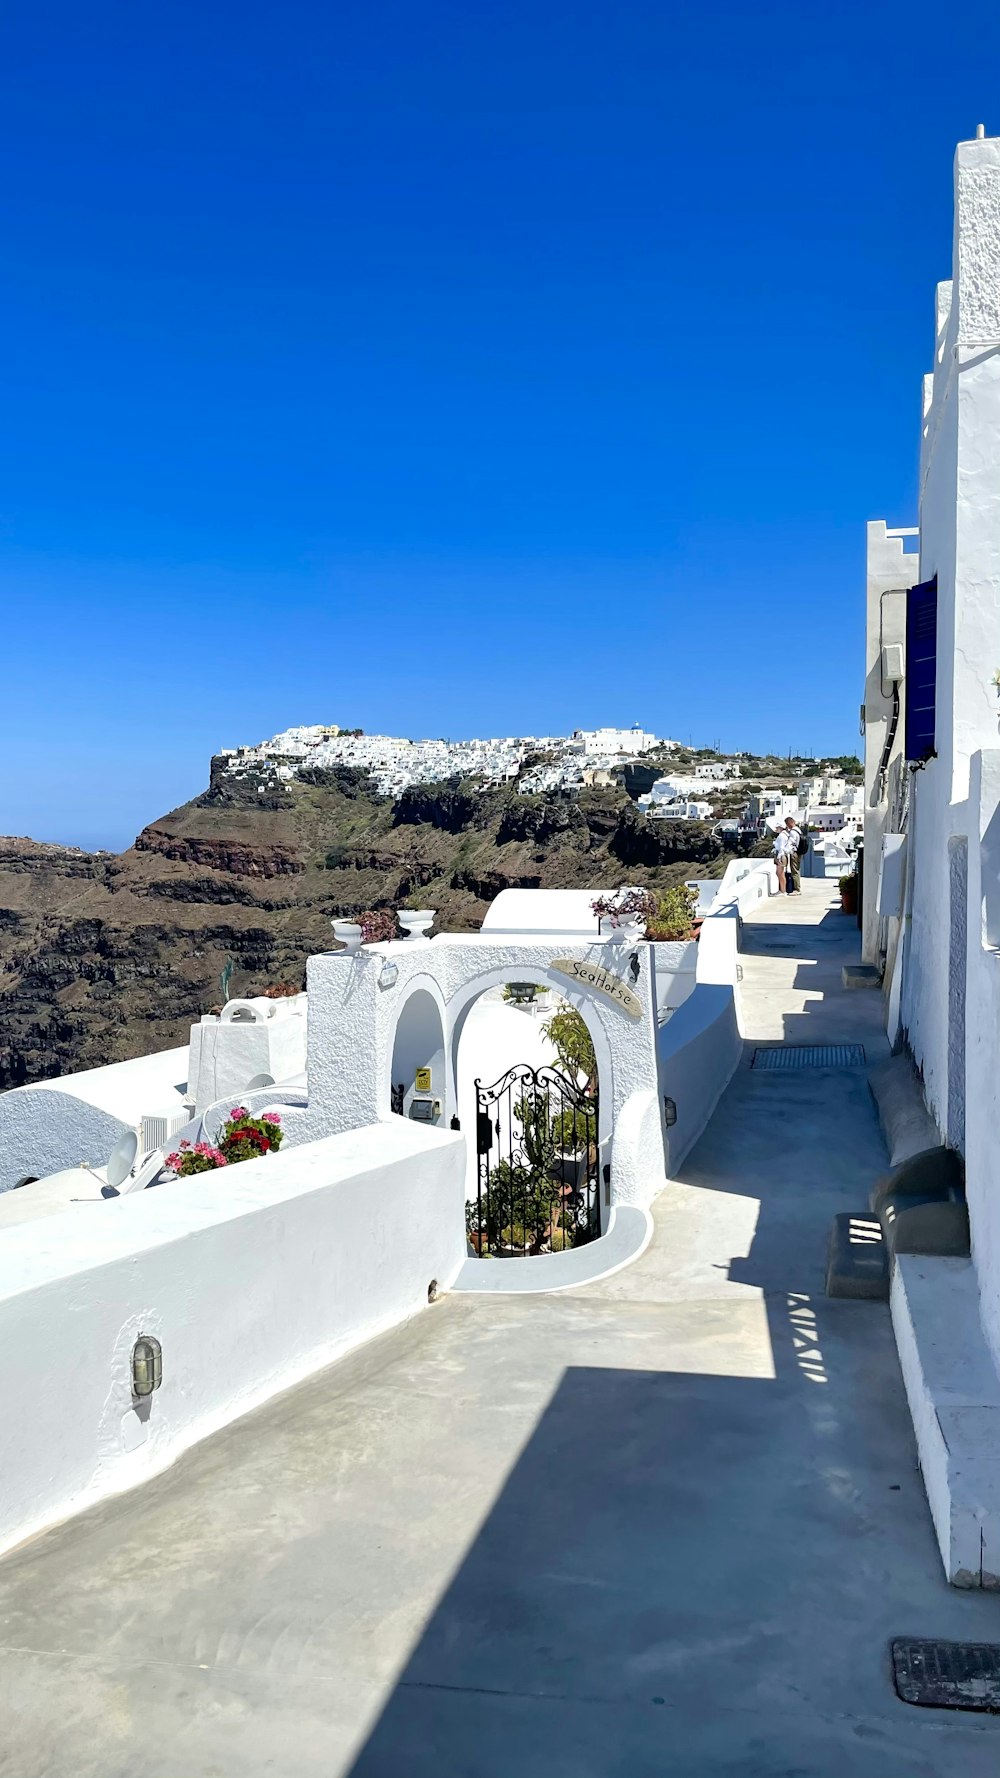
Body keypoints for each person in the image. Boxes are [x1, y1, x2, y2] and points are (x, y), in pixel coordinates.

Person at [783, 814, 803, 894]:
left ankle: (796, 889)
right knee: (797, 870)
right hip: (799, 852)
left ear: (789, 823)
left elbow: (790, 842)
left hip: (794, 853)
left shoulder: (793, 832)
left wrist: (785, 851)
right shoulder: (798, 830)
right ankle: (797, 888)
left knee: (794, 871)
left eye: (787, 824)